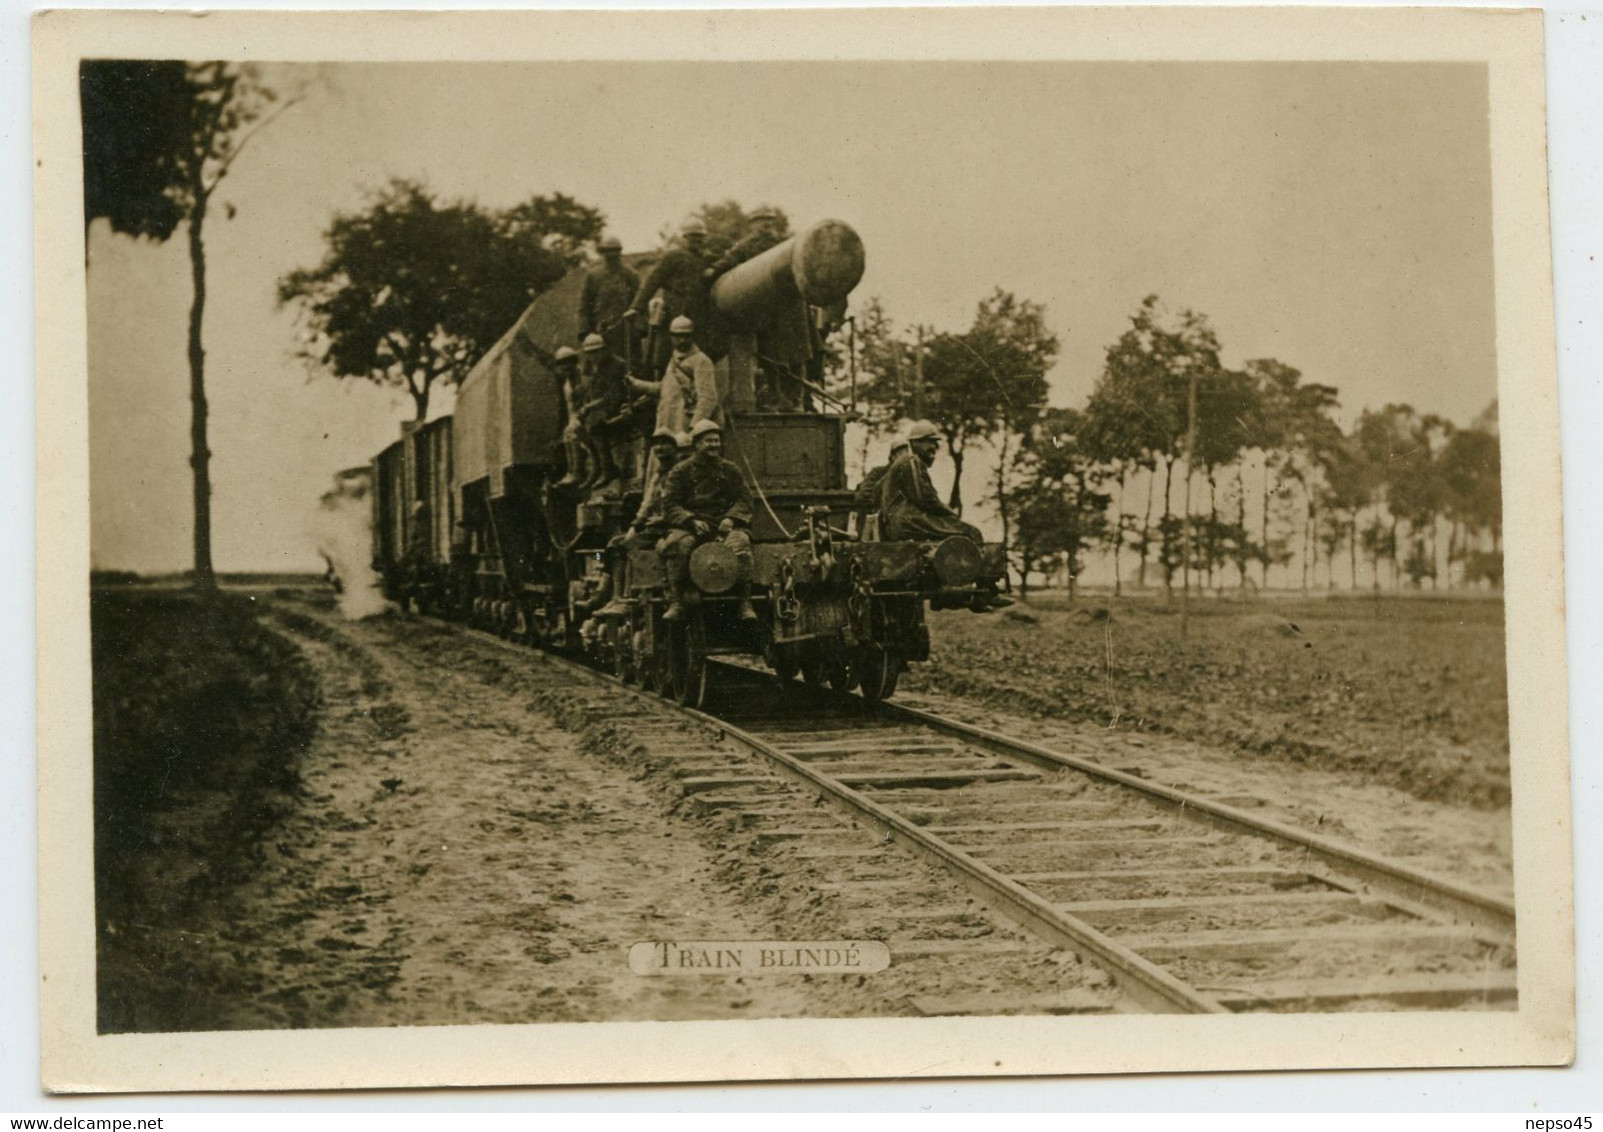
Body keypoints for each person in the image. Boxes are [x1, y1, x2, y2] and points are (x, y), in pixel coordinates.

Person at [658, 419, 756, 622]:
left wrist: (731, 518)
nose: (714, 445)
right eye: (708, 441)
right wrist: (690, 520)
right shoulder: (680, 471)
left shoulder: (730, 469)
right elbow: (669, 504)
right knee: (678, 546)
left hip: (724, 525)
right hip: (691, 527)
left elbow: (745, 498)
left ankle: (745, 601)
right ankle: (677, 602)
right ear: (696, 445)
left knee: (741, 545)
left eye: (716, 441)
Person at [626, 217, 712, 374]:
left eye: (699, 237)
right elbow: (652, 281)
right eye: (692, 236)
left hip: (699, 313)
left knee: (698, 354)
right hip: (675, 309)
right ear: (684, 238)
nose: (696, 240)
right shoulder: (674, 256)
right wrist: (636, 307)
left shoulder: (706, 259)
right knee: (668, 354)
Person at [879, 420, 985, 545]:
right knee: (971, 532)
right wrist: (951, 513)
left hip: (902, 520)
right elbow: (925, 498)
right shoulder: (910, 461)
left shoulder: (908, 461)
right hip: (907, 521)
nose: (934, 447)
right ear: (916, 442)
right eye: (930, 442)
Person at [627, 315, 722, 436]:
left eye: (686, 336)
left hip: (686, 424)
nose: (682, 340)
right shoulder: (674, 359)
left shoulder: (701, 361)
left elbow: (708, 398)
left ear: (692, 336)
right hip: (668, 422)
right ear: (671, 337)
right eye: (678, 336)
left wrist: (695, 427)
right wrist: (636, 384)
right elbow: (664, 388)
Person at [578, 333, 631, 493]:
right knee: (579, 428)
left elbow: (613, 395)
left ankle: (608, 469)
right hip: (604, 406)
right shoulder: (597, 368)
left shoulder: (616, 365)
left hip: (616, 404)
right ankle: (598, 467)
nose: (592, 357)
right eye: (589, 353)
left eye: (596, 352)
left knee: (594, 424)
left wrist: (590, 407)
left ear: (604, 350)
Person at [578, 235, 640, 356]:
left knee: (630, 366)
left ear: (620, 252)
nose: (611, 255)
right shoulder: (593, 276)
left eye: (615, 251)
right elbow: (584, 306)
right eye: (608, 251)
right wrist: (584, 331)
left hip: (626, 332)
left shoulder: (630, 275)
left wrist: (640, 327)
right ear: (602, 253)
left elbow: (639, 302)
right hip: (600, 331)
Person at [552, 345, 596, 489]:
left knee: (572, 432)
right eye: (562, 364)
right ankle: (572, 471)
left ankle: (577, 472)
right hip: (575, 415)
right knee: (567, 435)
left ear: (573, 362)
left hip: (587, 413)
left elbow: (588, 397)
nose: (565, 367)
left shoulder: (582, 377)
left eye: (568, 362)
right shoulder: (567, 383)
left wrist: (582, 412)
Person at [851, 431, 908, 537]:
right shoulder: (878, 473)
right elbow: (863, 498)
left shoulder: (908, 479)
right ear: (892, 457)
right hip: (875, 527)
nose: (904, 459)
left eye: (907, 455)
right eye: (900, 454)